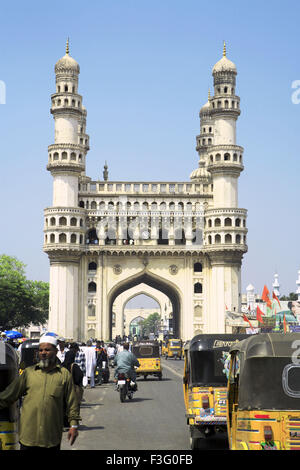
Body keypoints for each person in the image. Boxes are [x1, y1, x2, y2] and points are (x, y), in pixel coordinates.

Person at [0, 334, 80, 450]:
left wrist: (74, 425)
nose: (43, 353)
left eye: (47, 350)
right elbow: (10, 394)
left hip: (51, 439)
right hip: (28, 437)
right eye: (41, 350)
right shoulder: (29, 373)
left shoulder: (64, 375)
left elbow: (72, 403)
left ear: (56, 351)